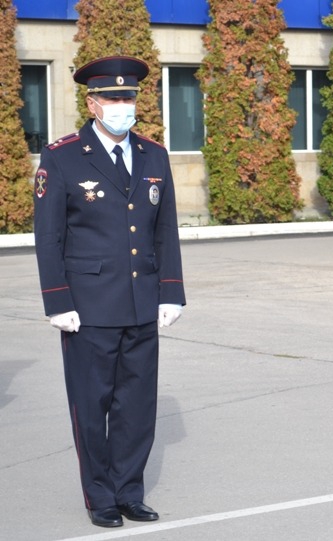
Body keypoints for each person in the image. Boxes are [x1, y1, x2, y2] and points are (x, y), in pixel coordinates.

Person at [33, 56, 186, 528]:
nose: (123, 105)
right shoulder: (61, 156)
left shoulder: (153, 155)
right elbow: (49, 236)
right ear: (92, 103)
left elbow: (165, 231)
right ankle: (100, 496)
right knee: (92, 403)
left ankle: (129, 491)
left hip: (142, 304)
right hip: (89, 308)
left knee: (137, 406)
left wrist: (171, 292)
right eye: (113, 98)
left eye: (130, 97)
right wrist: (58, 300)